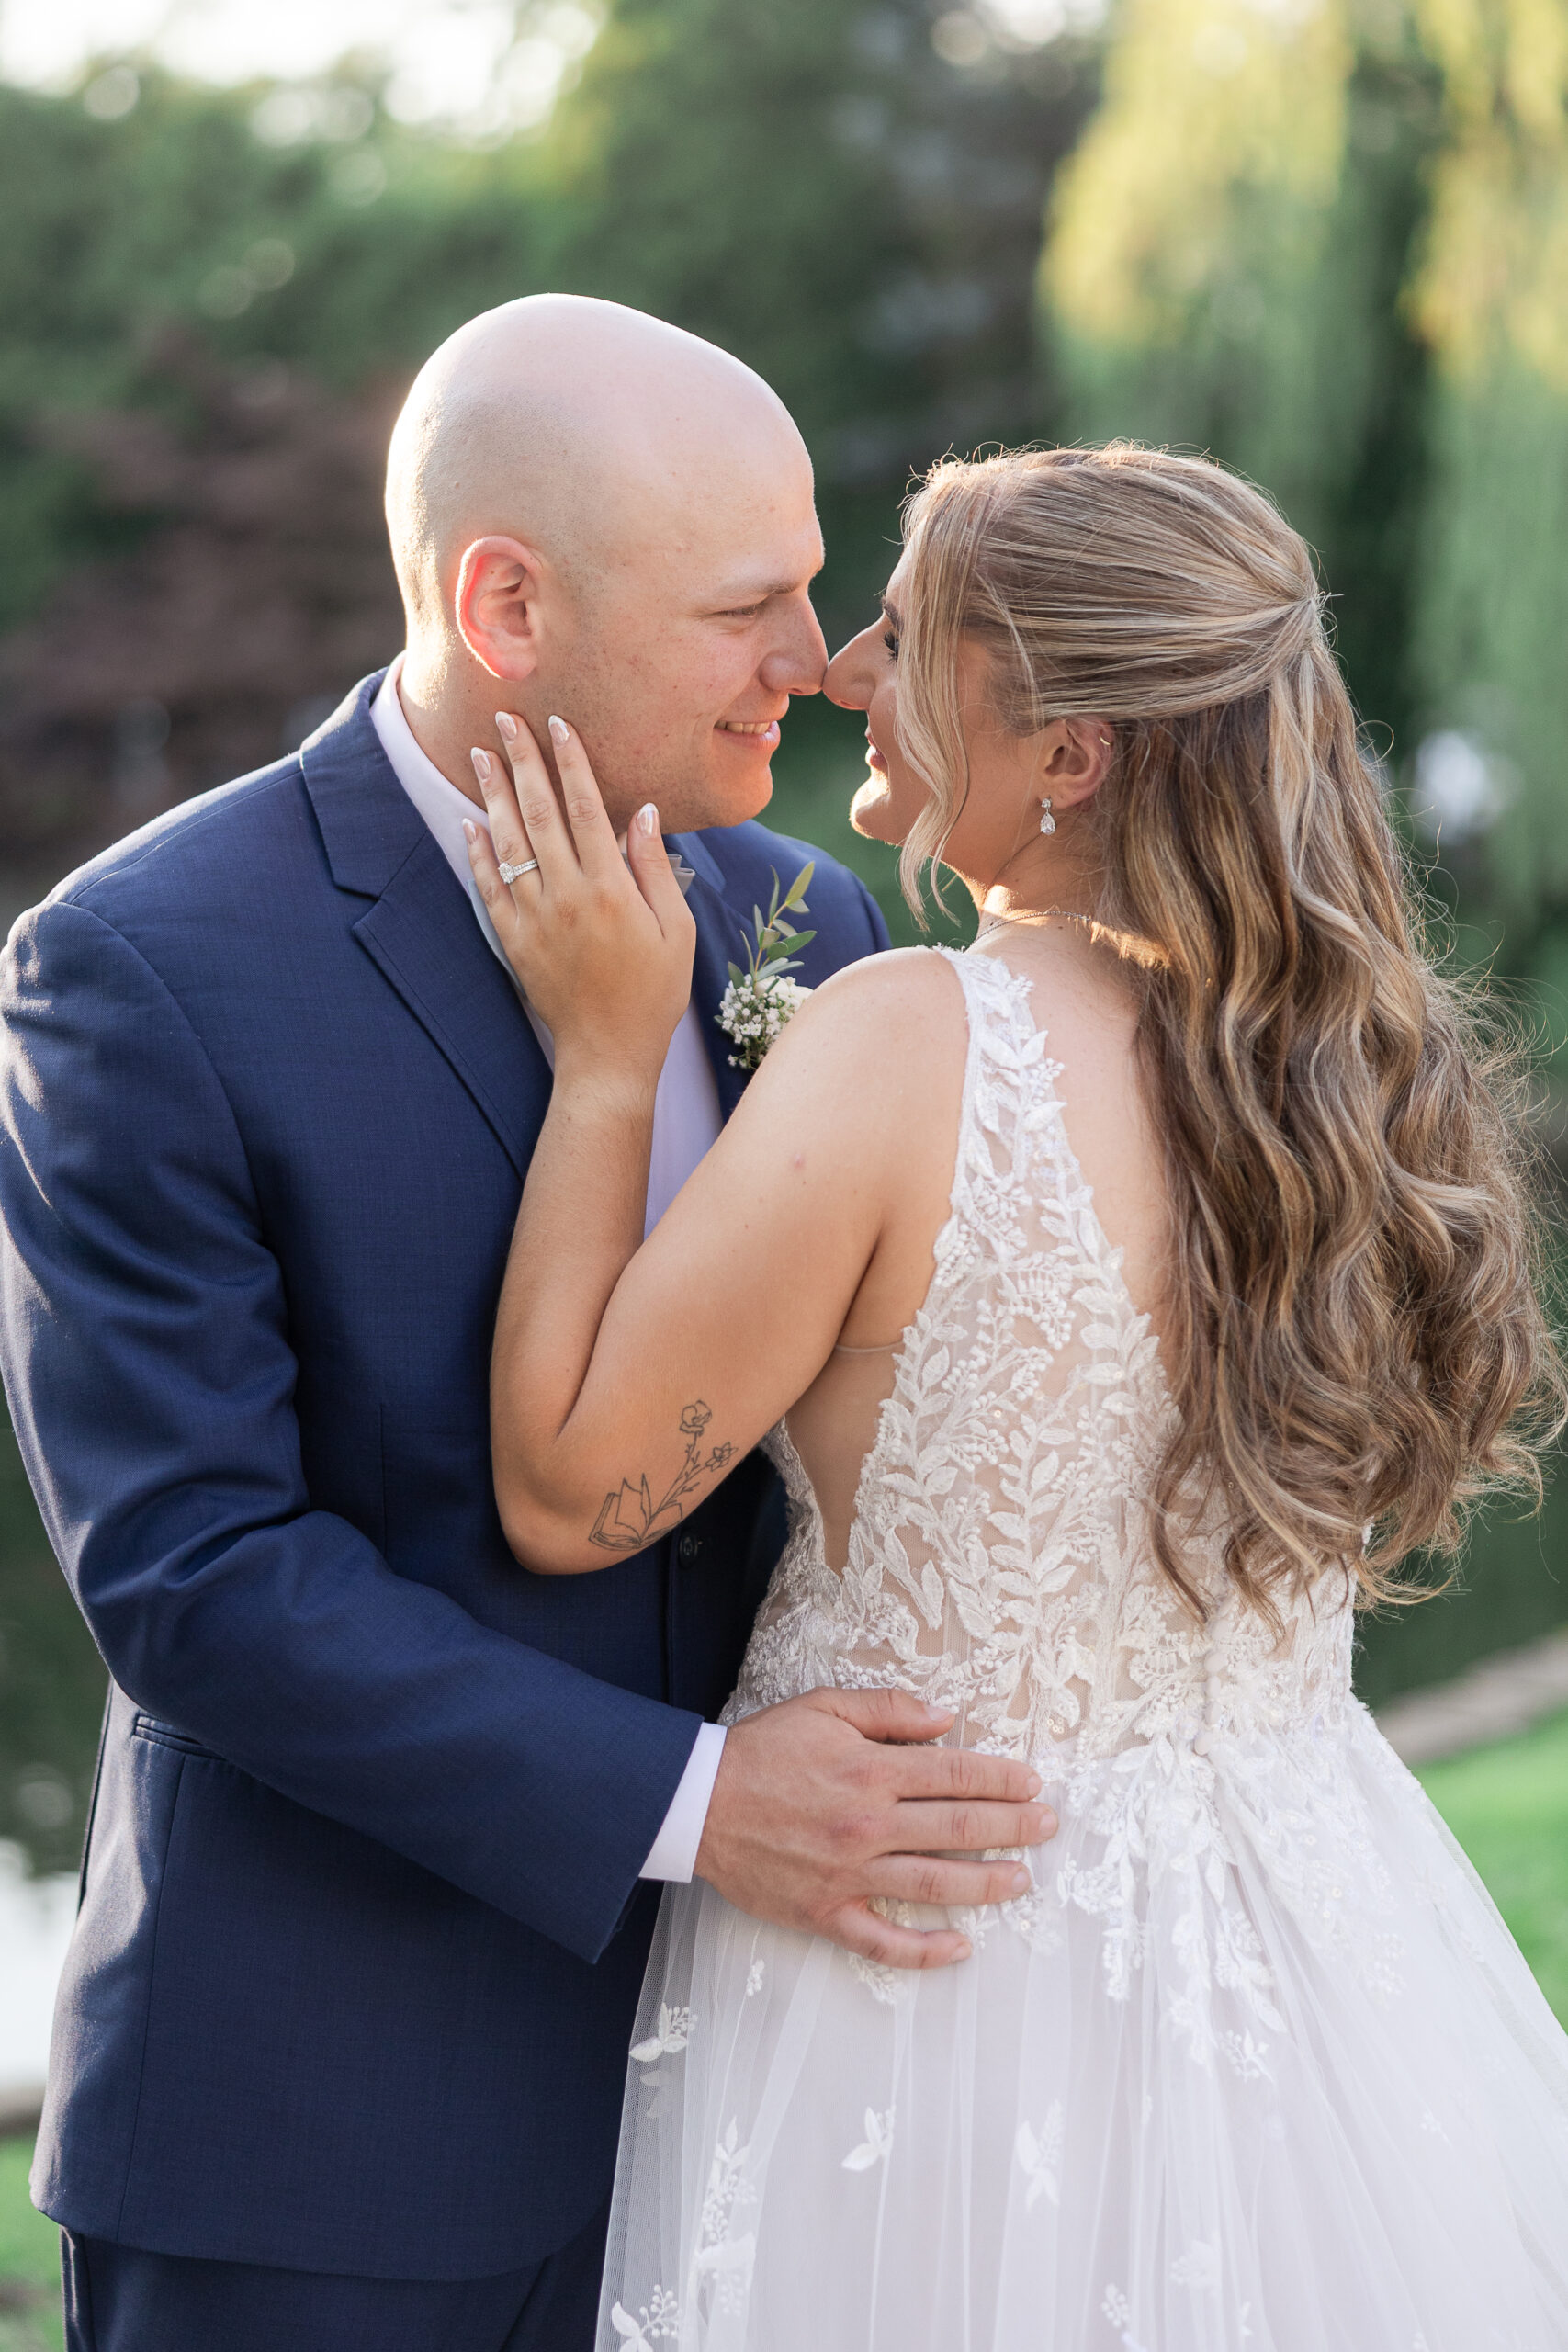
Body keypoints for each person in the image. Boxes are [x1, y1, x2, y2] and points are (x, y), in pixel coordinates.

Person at [0, 297, 1053, 2352]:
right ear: (505, 602)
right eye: (747, 602)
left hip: (771, 2097)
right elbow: (199, 1581)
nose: (817, 660)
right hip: (325, 2149)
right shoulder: (138, 970)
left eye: (817, 590)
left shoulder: (806, 923)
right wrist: (696, 1802)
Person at [467, 441, 1568, 2350]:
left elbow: (571, 1490)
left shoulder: (907, 1037)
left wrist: (600, 1055)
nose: (842, 666)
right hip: (1318, 1950)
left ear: (1067, 749)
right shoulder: (1356, 1081)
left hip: (934, 1976)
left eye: (909, 631)